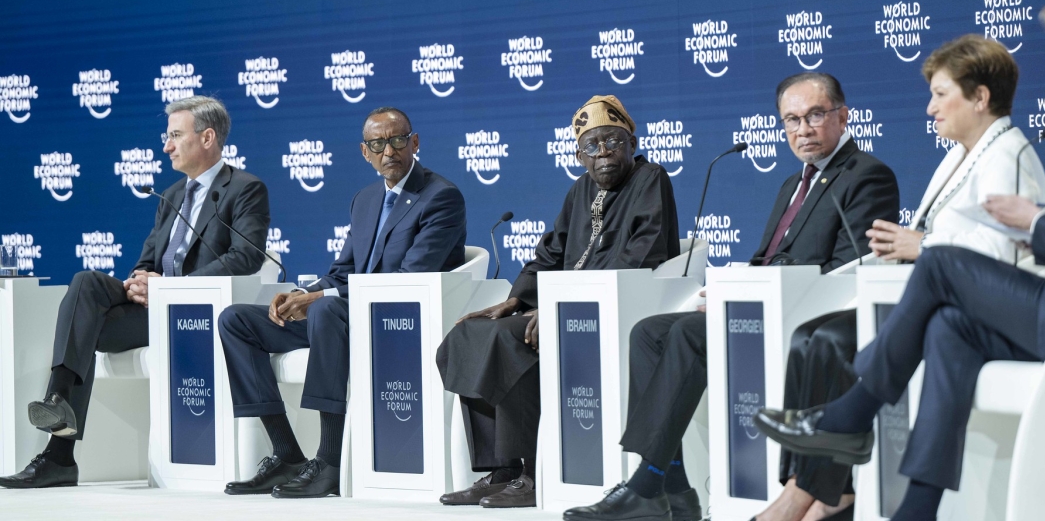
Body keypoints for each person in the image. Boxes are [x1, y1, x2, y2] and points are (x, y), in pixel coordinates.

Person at [755, 0, 1045, 521]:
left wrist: (1036, 225)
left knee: (941, 263)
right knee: (949, 327)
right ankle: (917, 508)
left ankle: (851, 413)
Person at [564, 73, 899, 521]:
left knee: (686, 335)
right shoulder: (790, 185)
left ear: (842, 116)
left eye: (815, 116)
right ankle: (677, 490)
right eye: (792, 120)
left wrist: (749, 289)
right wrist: (728, 289)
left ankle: (647, 486)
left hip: (812, 313)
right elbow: (765, 258)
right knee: (648, 333)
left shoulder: (867, 175)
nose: (803, 129)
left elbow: (851, 266)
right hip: (763, 302)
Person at [753, 36, 1045, 521]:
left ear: (979, 97)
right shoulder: (960, 155)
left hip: (1002, 317)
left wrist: (921, 247)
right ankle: (872, 498)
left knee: (841, 337)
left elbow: (1004, 261)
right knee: (838, 335)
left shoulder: (1006, 156)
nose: (930, 108)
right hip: (947, 312)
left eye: (940, 94)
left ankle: (841, 442)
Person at [0, 96, 270, 490]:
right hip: (153, 310)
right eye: (167, 136)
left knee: (84, 326)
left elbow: (246, 256)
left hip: (197, 313)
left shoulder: (245, 188)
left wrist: (170, 287)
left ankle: (59, 457)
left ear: (208, 137)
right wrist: (140, 280)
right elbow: (147, 259)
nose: (167, 146)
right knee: (87, 284)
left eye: (176, 136)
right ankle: (57, 399)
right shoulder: (172, 194)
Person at [436, 94, 679, 509]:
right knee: (470, 335)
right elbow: (550, 255)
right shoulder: (579, 191)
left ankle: (532, 472)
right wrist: (513, 301)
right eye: (592, 145)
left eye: (613, 142)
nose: (603, 152)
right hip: (562, 308)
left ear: (632, 143)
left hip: (614, 309)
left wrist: (561, 308)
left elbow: (641, 257)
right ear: (578, 154)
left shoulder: (650, 179)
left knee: (507, 342)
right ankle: (504, 469)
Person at [218, 106, 466, 499]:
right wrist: (303, 294)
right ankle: (285, 453)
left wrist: (321, 298)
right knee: (235, 320)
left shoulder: (441, 197)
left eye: (398, 140)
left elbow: (407, 281)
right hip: (342, 315)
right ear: (365, 152)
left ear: (414, 143)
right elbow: (342, 272)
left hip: (396, 321)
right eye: (377, 144)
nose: (389, 151)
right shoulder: (365, 199)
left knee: (327, 308)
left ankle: (330, 461)